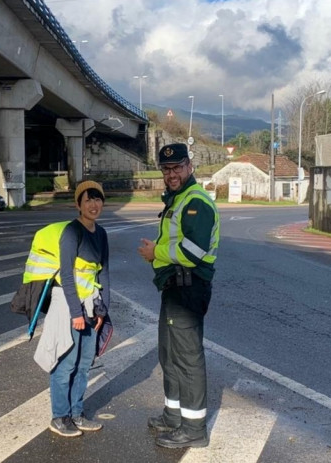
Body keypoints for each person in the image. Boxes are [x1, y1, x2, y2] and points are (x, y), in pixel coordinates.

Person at [137, 143, 220, 449]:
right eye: (166, 169)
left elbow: (194, 252)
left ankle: (194, 428)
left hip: (188, 287)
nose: (171, 174)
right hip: (174, 286)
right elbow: (175, 244)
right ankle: (173, 416)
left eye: (177, 168)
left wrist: (154, 251)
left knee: (187, 358)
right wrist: (156, 254)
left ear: (189, 167)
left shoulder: (196, 202)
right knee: (169, 354)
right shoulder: (179, 199)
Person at [33, 180, 111, 438]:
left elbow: (104, 274)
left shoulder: (101, 234)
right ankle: (60, 416)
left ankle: (77, 413)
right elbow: (67, 275)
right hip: (68, 305)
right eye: (88, 199)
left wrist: (102, 310)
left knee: (85, 363)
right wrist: (76, 312)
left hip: (91, 305)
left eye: (97, 199)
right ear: (78, 204)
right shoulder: (71, 232)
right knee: (65, 361)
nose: (93, 204)